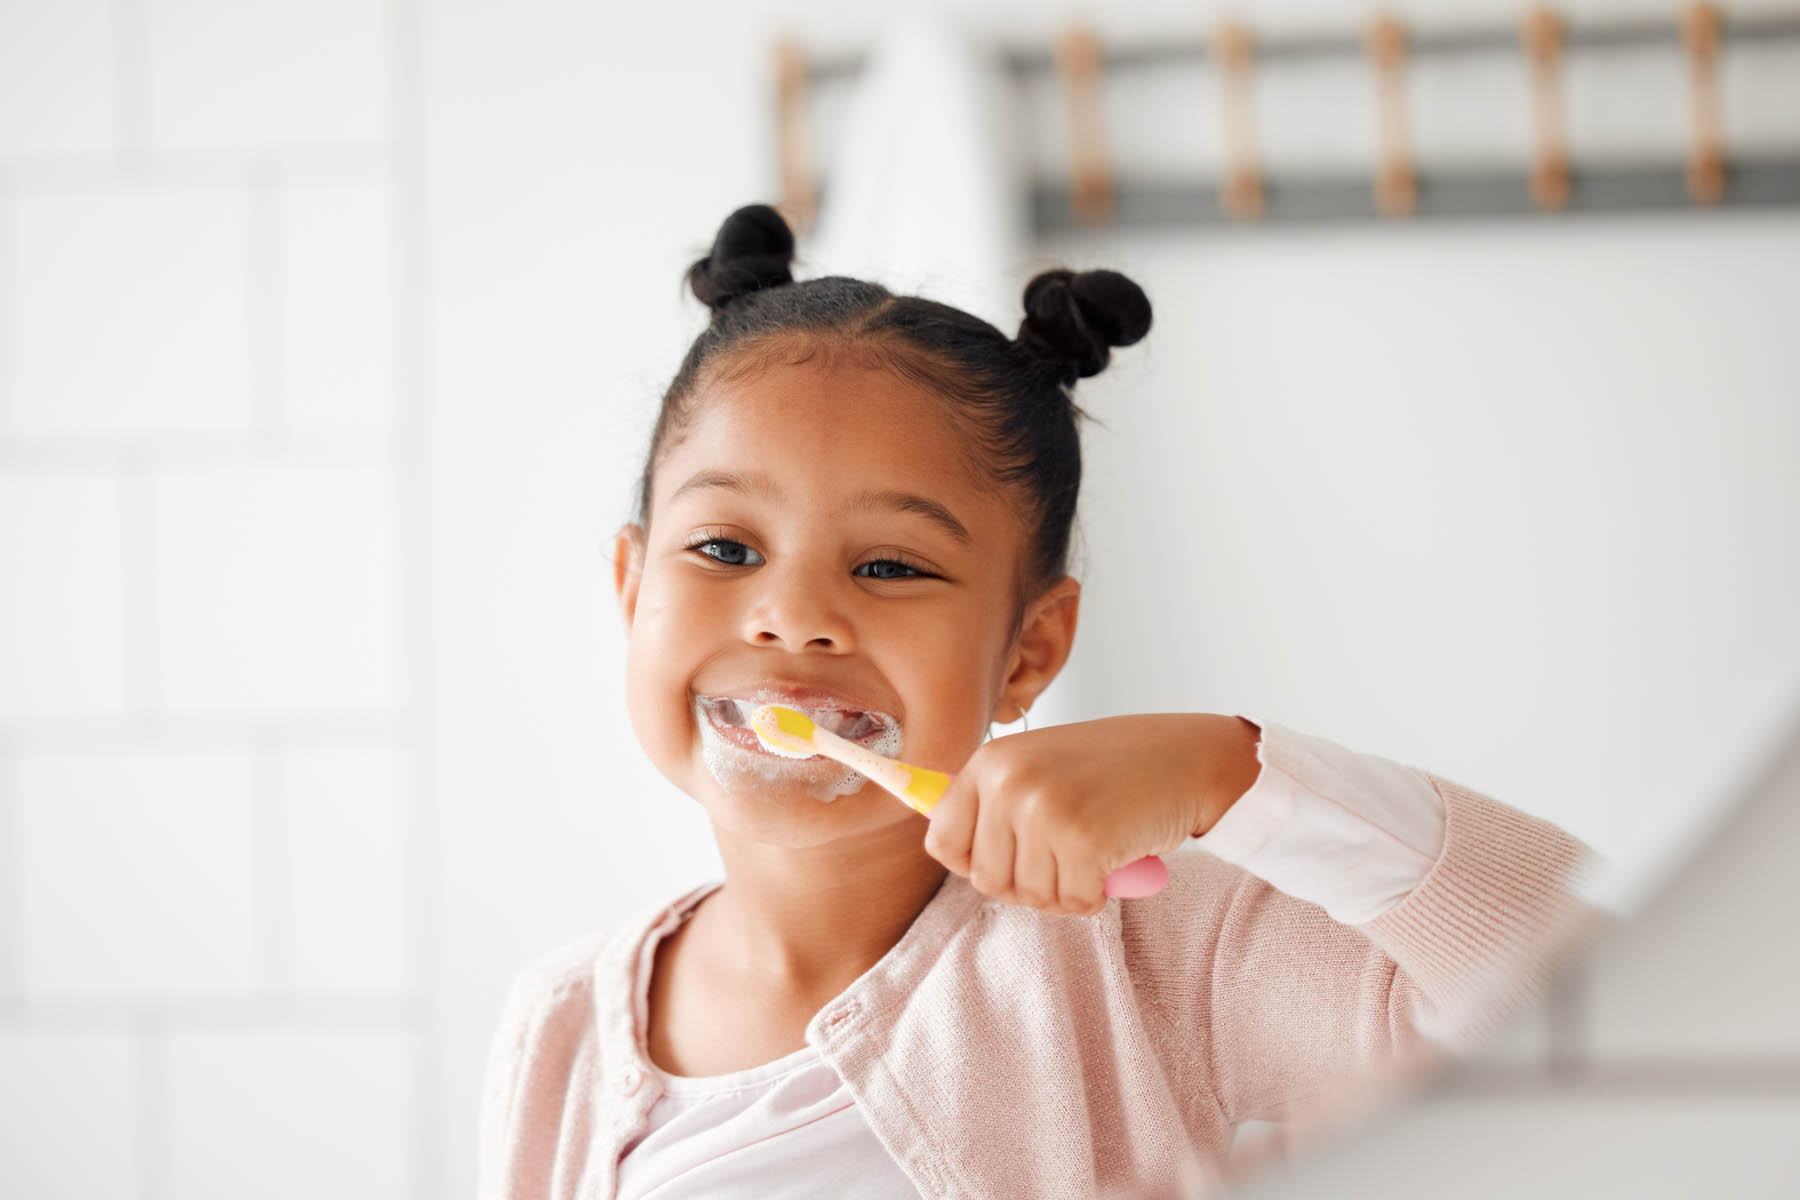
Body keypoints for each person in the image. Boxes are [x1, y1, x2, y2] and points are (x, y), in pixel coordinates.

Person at [476, 203, 1609, 1200]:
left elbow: (1612, 999)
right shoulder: (561, 1025)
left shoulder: (1153, 957)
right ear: (632, 589)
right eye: (723, 546)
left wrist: (1233, 774)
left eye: (889, 566)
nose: (793, 615)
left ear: (1029, 651)